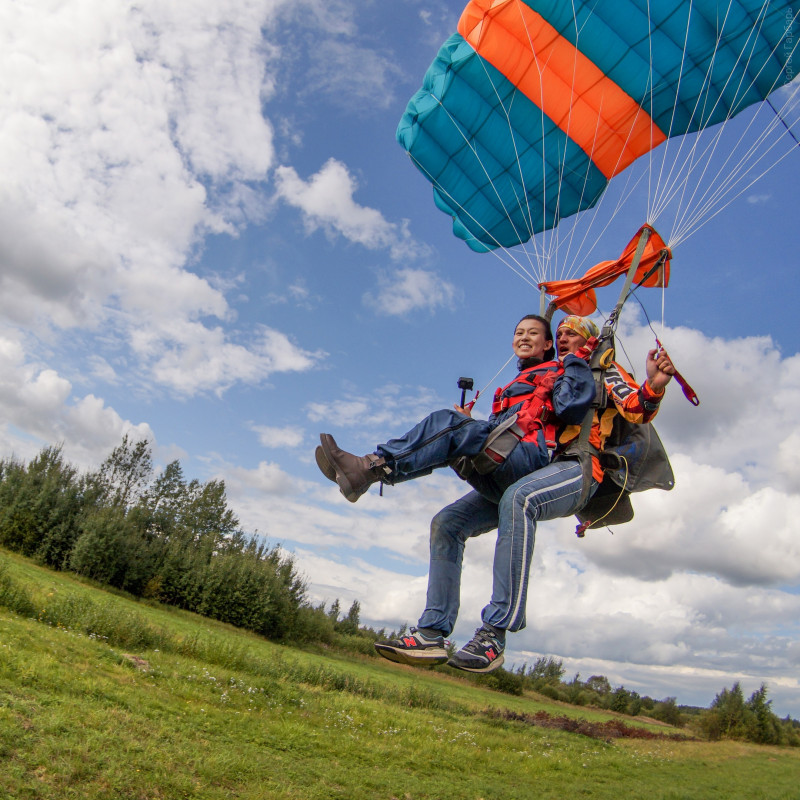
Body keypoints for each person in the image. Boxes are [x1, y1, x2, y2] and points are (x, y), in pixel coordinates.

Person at [371, 315, 675, 673]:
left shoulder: (601, 371)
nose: (563, 338)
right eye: (559, 333)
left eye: (572, 333)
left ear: (589, 339)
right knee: (448, 523)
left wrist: (654, 386)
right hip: (536, 466)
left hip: (579, 467)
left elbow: (636, 407)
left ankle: (494, 634)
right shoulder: (555, 375)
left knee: (520, 499)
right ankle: (430, 635)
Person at [316, 315, 595, 510]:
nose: (524, 337)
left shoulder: (561, 370)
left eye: (532, 333)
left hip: (528, 461)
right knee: (449, 442)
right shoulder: (517, 383)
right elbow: (505, 428)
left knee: (447, 421)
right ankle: (371, 475)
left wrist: (574, 360)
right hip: (502, 466)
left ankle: (367, 467)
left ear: (547, 345)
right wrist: (471, 424)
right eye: (519, 332)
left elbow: (569, 409)